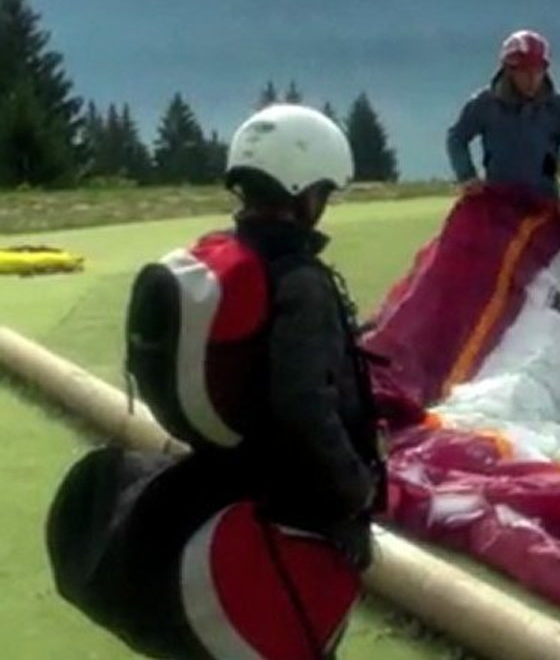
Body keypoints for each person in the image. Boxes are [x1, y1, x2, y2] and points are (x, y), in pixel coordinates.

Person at [46, 104, 387, 660]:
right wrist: (356, 489)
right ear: (307, 191)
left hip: (221, 481)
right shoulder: (299, 282)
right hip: (295, 506)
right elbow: (304, 406)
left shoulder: (227, 257)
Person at [447, 29, 560, 215]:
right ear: (509, 71)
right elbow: (456, 137)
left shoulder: (558, 108)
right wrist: (466, 176)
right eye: (525, 72)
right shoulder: (485, 104)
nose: (533, 79)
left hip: (544, 206)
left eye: (538, 71)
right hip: (497, 207)